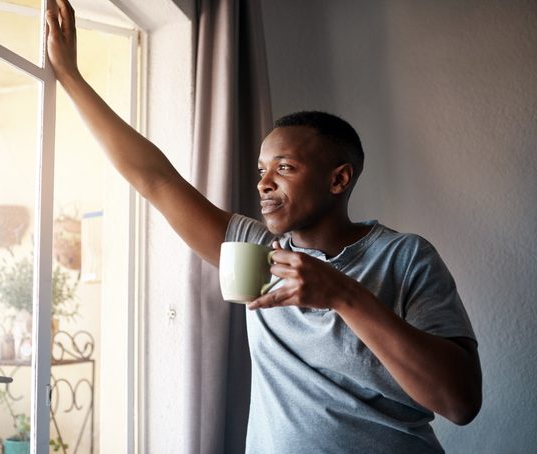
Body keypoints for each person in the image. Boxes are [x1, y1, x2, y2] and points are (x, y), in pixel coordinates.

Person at [45, 0, 482, 452]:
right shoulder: (257, 251)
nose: (264, 184)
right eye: (260, 170)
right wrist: (71, 78)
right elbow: (154, 179)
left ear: (338, 179)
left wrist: (342, 294)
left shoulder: (406, 257)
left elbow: (460, 402)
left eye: (285, 167)